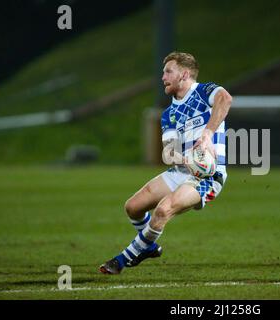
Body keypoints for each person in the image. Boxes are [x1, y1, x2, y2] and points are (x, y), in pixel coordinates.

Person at [99, 52, 232, 274]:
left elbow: (225, 99)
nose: (163, 77)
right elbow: (168, 154)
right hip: (182, 170)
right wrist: (186, 160)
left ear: (184, 74)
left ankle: (123, 259)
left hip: (208, 176)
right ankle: (148, 245)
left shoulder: (203, 91)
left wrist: (207, 134)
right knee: (132, 207)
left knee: (163, 210)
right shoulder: (169, 113)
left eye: (168, 71)